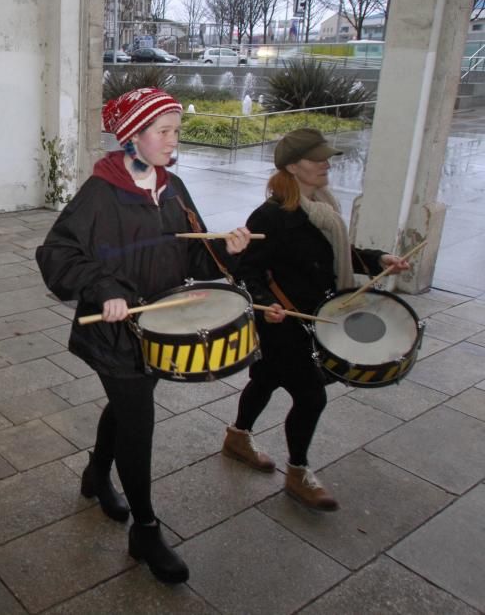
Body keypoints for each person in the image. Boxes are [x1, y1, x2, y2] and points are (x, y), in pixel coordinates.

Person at [36, 87, 251, 585]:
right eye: (165, 131)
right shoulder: (101, 192)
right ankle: (147, 530)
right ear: (133, 136)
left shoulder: (171, 187)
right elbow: (57, 254)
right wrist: (104, 286)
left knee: (127, 408)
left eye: (177, 130)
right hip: (115, 333)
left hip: (160, 329)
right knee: (138, 421)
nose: (174, 140)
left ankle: (95, 472)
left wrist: (228, 248)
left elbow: (195, 255)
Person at [221, 128, 410, 511]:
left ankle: (237, 437)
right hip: (283, 320)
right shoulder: (272, 215)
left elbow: (333, 254)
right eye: (317, 159)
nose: (326, 165)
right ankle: (298, 472)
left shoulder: (322, 206)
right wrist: (262, 304)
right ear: (293, 166)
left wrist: (377, 260)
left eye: (327, 158)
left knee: (267, 378)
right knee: (310, 395)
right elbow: (246, 271)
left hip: (317, 315)